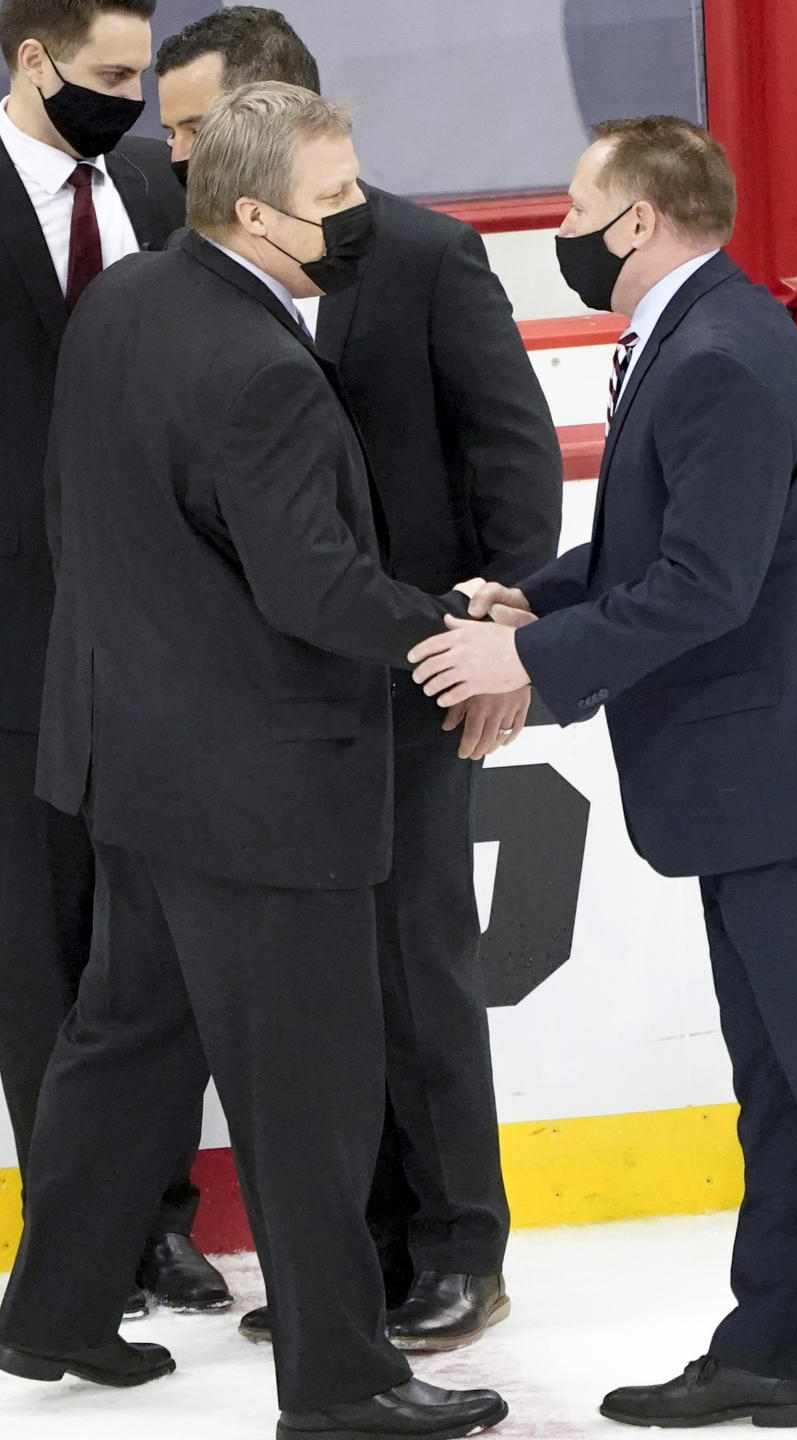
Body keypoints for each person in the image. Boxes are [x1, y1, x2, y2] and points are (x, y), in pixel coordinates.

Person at [408, 115, 797, 1440]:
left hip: (795, 783)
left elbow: (703, 589)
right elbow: (655, 549)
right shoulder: (701, 335)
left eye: (582, 211)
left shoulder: (715, 352)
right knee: (788, 1080)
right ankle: (771, 1346)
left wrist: (524, 668)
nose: (566, 234)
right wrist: (527, 604)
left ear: (639, 220)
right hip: (768, 782)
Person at [0, 82, 509, 1440]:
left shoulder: (124, 303)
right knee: (312, 1095)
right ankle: (341, 1386)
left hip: (134, 764)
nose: (356, 217)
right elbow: (319, 590)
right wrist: (449, 622)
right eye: (332, 200)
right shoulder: (262, 367)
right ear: (248, 210)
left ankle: (50, 1313)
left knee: (123, 1052)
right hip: (264, 791)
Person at [155, 5, 563, 1352]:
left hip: (413, 676)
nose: (183, 153)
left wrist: (498, 642)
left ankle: (460, 1247)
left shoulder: (436, 257)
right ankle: (364, 1255)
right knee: (330, 991)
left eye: (203, 127)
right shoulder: (197, 269)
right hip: (277, 700)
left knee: (418, 971)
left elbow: (514, 463)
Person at [0, 0, 229, 1319]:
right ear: (32, 62)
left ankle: (163, 1220)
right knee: (41, 953)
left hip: (170, 637)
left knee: (159, 944)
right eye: (110, 75)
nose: (137, 102)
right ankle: (74, 1231)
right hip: (17, 645)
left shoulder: (157, 183)